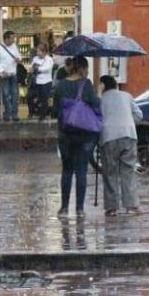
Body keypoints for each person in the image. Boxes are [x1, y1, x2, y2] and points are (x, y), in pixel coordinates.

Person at [52, 56, 100, 217]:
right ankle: (79, 208)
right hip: (84, 135)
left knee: (66, 170)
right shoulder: (86, 85)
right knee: (81, 170)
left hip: (65, 134)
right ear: (81, 69)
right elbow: (95, 105)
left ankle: (64, 208)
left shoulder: (60, 85)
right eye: (86, 69)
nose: (87, 72)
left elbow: (55, 110)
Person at [98, 75, 142, 217]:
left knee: (110, 172)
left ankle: (111, 208)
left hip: (108, 137)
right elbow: (139, 115)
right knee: (128, 171)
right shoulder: (126, 95)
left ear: (102, 86)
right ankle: (131, 205)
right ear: (116, 85)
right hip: (128, 135)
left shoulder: (100, 100)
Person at [0, 30, 22, 122]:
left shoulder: (14, 46)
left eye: (14, 38)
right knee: (6, 95)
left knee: (14, 94)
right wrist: (2, 71)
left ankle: (14, 114)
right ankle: (8, 114)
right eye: (12, 38)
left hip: (13, 73)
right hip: (4, 75)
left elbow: (19, 56)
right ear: (6, 39)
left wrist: (19, 59)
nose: (14, 40)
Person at [28, 43, 54, 120]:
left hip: (46, 82)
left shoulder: (49, 59)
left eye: (39, 51)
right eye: (37, 51)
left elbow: (47, 69)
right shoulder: (35, 58)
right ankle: (31, 112)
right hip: (36, 82)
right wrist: (32, 69)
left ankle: (42, 115)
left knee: (44, 99)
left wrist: (37, 69)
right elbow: (31, 67)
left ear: (44, 52)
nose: (37, 53)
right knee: (29, 96)